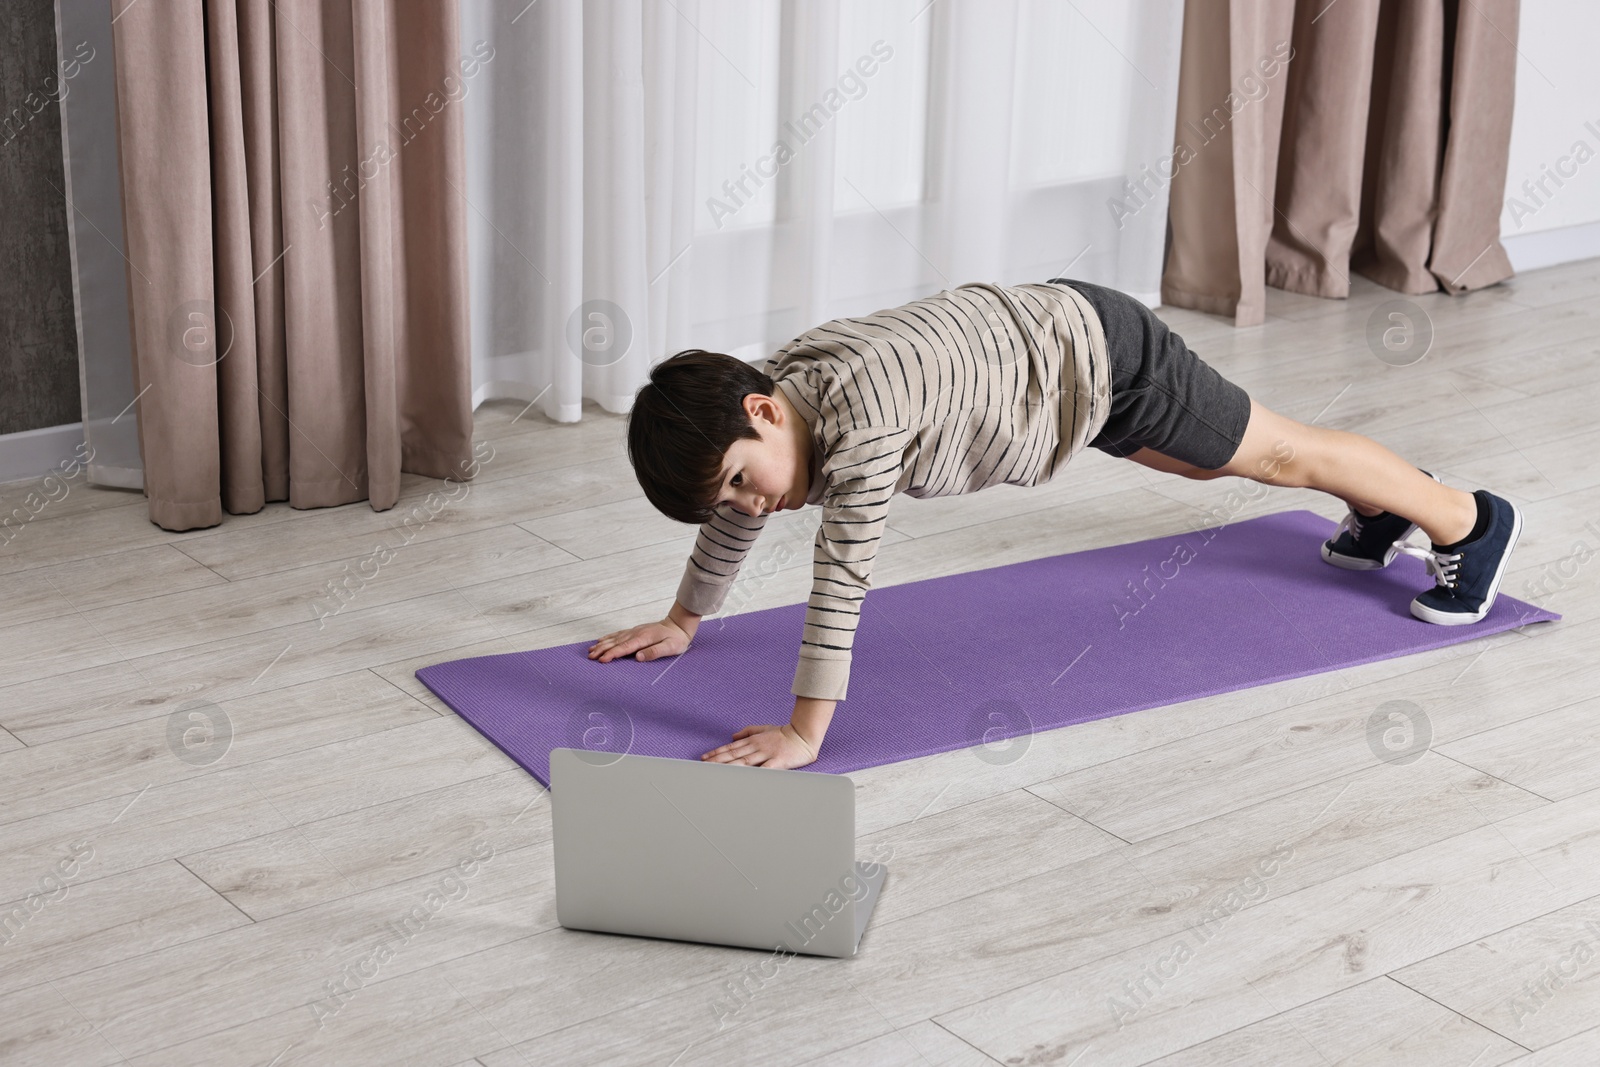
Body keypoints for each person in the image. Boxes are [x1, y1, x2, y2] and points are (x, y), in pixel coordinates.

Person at [587, 277, 1524, 769]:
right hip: (1063, 366)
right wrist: (684, 618)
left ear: (758, 413)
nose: (749, 506)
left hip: (1105, 359)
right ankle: (1377, 505)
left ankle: (1464, 519)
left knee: (1275, 451)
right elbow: (735, 515)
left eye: (743, 482)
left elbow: (842, 577)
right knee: (1215, 461)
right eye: (730, 500)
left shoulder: (858, 425)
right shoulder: (783, 391)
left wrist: (804, 732)